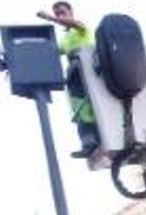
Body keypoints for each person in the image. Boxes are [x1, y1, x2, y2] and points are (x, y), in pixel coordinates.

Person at [37, 2, 99, 158]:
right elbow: (54, 52)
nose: (60, 16)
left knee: (96, 105)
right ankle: (88, 142)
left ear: (71, 12)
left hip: (88, 69)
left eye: (62, 12)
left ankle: (99, 135)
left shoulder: (81, 28)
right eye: (57, 14)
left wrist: (49, 17)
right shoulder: (65, 38)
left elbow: (74, 24)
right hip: (74, 73)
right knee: (79, 109)